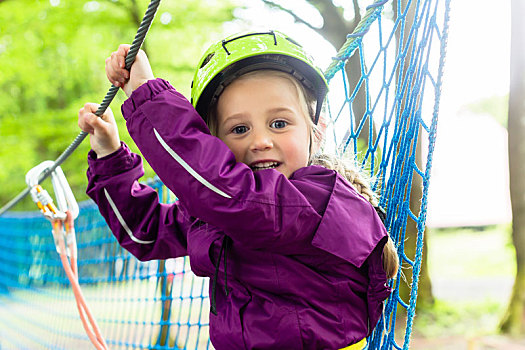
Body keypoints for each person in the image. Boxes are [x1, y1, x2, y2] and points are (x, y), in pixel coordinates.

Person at [78, 30, 398, 350]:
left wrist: (146, 94)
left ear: (317, 133)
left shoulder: (320, 201)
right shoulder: (223, 210)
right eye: (239, 129)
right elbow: (145, 233)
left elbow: (230, 192)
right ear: (216, 143)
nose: (260, 142)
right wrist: (110, 155)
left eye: (279, 123)